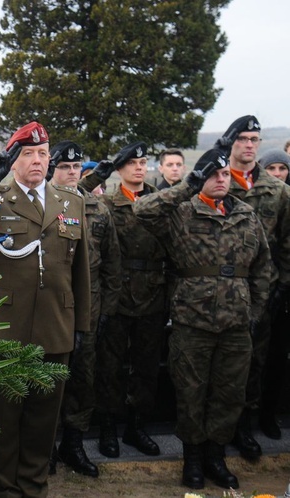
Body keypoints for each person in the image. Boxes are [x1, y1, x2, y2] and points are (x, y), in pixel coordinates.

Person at [0, 121, 91, 498]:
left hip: (56, 327)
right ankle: (5, 491)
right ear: (13, 160)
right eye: (28, 154)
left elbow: (81, 269)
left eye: (43, 153)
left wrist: (82, 323)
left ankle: (34, 489)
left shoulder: (71, 200)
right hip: (5, 329)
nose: (38, 160)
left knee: (43, 425)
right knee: (5, 426)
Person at [133, 148, 273, 490]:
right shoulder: (181, 212)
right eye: (213, 174)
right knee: (191, 393)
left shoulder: (246, 215)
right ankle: (192, 460)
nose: (221, 179)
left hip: (237, 325)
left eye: (225, 174)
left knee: (230, 395)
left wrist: (253, 311)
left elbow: (263, 268)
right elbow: (141, 210)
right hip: (192, 323)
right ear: (200, 178)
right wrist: (188, 185)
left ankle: (216, 457)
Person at [80, 142, 167, 459]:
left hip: (154, 293)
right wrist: (95, 175)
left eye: (143, 162)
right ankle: (107, 427)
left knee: (145, 368)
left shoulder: (160, 201)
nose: (139, 168)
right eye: (131, 163)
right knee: (110, 368)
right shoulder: (106, 204)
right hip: (116, 295)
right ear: (119, 169)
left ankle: (136, 426)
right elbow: (71, 194)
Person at [48, 141, 121, 478]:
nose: (71, 173)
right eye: (64, 167)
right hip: (49, 309)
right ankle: (44, 445)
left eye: (76, 169)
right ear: (53, 169)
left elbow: (111, 266)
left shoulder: (98, 208)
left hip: (87, 311)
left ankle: (73, 444)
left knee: (82, 379)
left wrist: (105, 311)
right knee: (46, 379)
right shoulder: (40, 204)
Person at [218, 115, 290, 456]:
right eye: (243, 139)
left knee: (254, 362)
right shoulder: (215, 183)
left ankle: (244, 425)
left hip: (260, 293)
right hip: (216, 292)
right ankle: (218, 428)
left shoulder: (276, 190)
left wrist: (281, 286)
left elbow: (288, 243)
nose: (249, 145)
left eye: (254, 140)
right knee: (217, 363)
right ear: (230, 142)